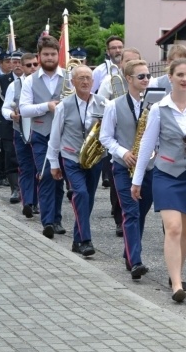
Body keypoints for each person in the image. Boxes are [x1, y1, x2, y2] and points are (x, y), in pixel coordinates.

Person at [131, 58, 186, 302]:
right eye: (180, 74)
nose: (185, 79)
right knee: (174, 227)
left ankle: (175, 272)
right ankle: (177, 284)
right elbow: (147, 144)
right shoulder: (159, 108)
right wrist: (137, 181)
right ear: (170, 77)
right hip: (166, 173)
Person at [100, 59, 155, 280]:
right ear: (129, 79)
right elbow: (105, 136)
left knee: (140, 213)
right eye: (141, 76)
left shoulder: (155, 105)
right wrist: (123, 152)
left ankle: (129, 254)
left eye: (148, 76)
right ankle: (136, 262)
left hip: (148, 167)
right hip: (124, 167)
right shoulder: (114, 105)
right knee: (131, 212)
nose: (146, 80)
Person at [47, 65, 107, 257]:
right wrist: (54, 163)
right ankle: (86, 240)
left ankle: (76, 240)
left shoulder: (104, 103)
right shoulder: (64, 105)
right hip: (71, 157)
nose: (85, 81)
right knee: (80, 193)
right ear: (72, 82)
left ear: (93, 81)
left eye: (88, 78)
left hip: (94, 158)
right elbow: (55, 136)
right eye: (80, 78)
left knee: (87, 199)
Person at [19, 35, 67, 239]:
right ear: (39, 56)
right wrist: (46, 106)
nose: (49, 57)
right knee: (47, 174)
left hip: (65, 136)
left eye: (53, 54)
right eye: (45, 54)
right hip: (41, 134)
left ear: (58, 55)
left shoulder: (68, 76)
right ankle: (48, 221)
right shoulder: (30, 81)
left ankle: (56, 218)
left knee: (59, 178)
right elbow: (24, 109)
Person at [2, 52, 39, 215]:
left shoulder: (43, 83)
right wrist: (12, 115)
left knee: (40, 168)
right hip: (21, 131)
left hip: (40, 131)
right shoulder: (14, 86)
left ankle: (37, 202)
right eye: (29, 65)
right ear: (22, 67)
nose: (32, 68)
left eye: (35, 64)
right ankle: (28, 203)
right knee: (25, 167)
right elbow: (5, 108)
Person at [0, 50, 21, 199]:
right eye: (14, 62)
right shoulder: (3, 80)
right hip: (7, 122)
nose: (17, 65)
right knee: (10, 155)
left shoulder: (30, 79)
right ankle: (15, 189)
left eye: (19, 62)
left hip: (26, 122)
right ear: (10, 63)